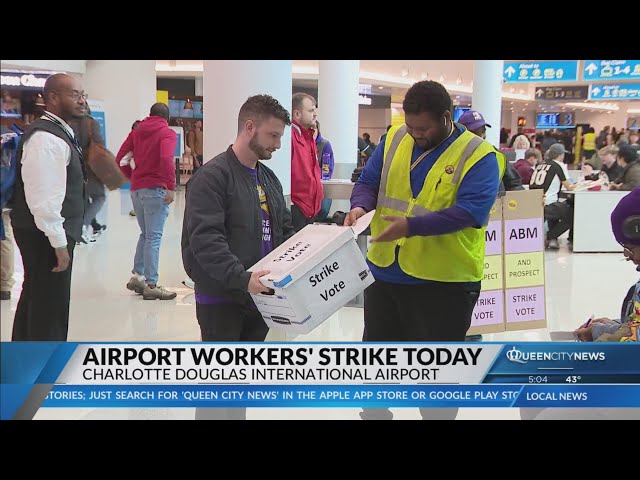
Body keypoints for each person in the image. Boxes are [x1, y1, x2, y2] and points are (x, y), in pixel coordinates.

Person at [344, 80, 504, 420]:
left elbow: (472, 211)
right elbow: (369, 181)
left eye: (424, 127)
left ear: (446, 118)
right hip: (386, 274)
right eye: (411, 125)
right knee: (375, 367)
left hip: (443, 283)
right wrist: (359, 206)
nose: (415, 133)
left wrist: (411, 226)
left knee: (437, 378)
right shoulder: (395, 138)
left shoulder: (480, 156)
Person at [181, 94, 296, 420]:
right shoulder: (212, 177)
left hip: (258, 300)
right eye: (272, 136)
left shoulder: (268, 179)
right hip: (223, 299)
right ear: (249, 127)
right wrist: (242, 279)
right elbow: (206, 241)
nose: (277, 145)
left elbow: (283, 231)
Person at [9, 73, 87, 340]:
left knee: (37, 299)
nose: (81, 101)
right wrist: (58, 242)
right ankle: (43, 373)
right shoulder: (46, 139)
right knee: (48, 308)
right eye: (74, 95)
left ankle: (26, 367)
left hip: (44, 232)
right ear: (53, 97)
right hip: (43, 234)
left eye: (82, 95)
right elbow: (43, 199)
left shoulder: (59, 131)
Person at [115, 103, 177, 300]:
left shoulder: (137, 131)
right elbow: (166, 158)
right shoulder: (167, 132)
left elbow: (120, 159)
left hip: (137, 189)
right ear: (167, 118)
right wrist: (170, 186)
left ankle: (137, 276)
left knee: (146, 234)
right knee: (154, 237)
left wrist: (133, 176)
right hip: (155, 189)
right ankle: (151, 284)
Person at [70, 109, 107, 244]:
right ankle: (83, 226)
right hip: (90, 166)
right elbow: (99, 145)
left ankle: (91, 225)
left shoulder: (67, 123)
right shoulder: (91, 123)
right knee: (99, 196)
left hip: (72, 165)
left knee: (83, 198)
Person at [529, 143, 576, 249]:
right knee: (573, 213)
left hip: (534, 202)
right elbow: (569, 186)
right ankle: (550, 236)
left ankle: (553, 240)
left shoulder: (541, 164)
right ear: (561, 155)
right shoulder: (558, 165)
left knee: (558, 207)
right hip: (547, 204)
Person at [290, 92, 322, 231]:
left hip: (310, 210)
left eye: (314, 110)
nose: (315, 114)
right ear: (297, 114)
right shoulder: (290, 137)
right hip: (297, 209)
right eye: (310, 110)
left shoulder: (309, 138)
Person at [314, 120, 335, 221]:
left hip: (321, 184)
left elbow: (328, 169)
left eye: (314, 129)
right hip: (308, 186)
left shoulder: (325, 145)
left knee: (323, 209)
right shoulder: (303, 145)